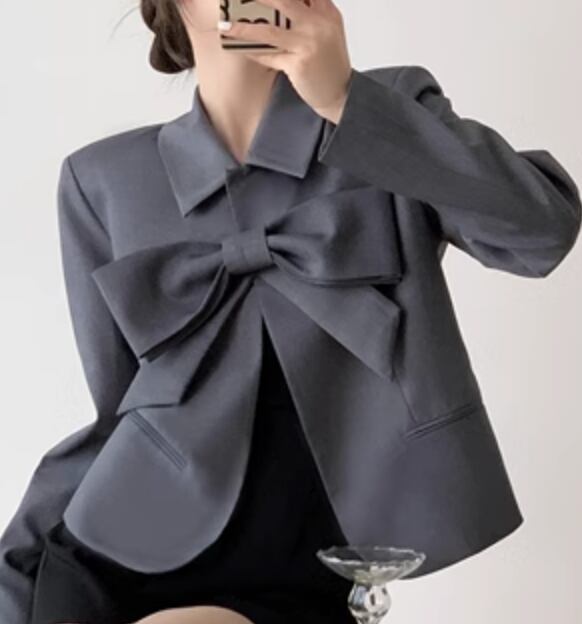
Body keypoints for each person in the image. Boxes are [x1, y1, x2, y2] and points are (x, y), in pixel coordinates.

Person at [1, 0, 580, 623]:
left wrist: (347, 99)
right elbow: (117, 414)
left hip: (303, 567)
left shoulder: (386, 110)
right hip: (115, 553)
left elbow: (541, 233)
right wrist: (14, 568)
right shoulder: (102, 178)